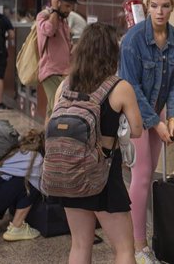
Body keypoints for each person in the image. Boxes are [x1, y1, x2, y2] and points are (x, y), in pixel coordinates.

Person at [47, 22, 142, 264]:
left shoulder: (64, 86)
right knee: (123, 249)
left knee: (79, 245)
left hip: (69, 174)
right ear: (112, 52)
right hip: (104, 177)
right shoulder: (120, 87)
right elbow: (137, 130)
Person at [119, 0, 174, 264]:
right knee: (142, 175)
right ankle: (139, 246)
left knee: (147, 174)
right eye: (154, 6)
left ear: (172, 7)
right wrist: (153, 122)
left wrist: (171, 118)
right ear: (147, 7)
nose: (160, 11)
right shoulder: (133, 40)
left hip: (157, 112)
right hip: (133, 112)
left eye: (165, 5)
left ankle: (139, 238)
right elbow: (130, 86)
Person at [36, 0, 76, 118]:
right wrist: (54, 9)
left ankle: (47, 137)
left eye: (72, 6)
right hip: (51, 71)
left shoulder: (63, 20)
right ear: (58, 2)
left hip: (63, 71)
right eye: (67, 6)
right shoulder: (44, 16)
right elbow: (49, 30)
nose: (69, 10)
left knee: (51, 110)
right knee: (59, 108)